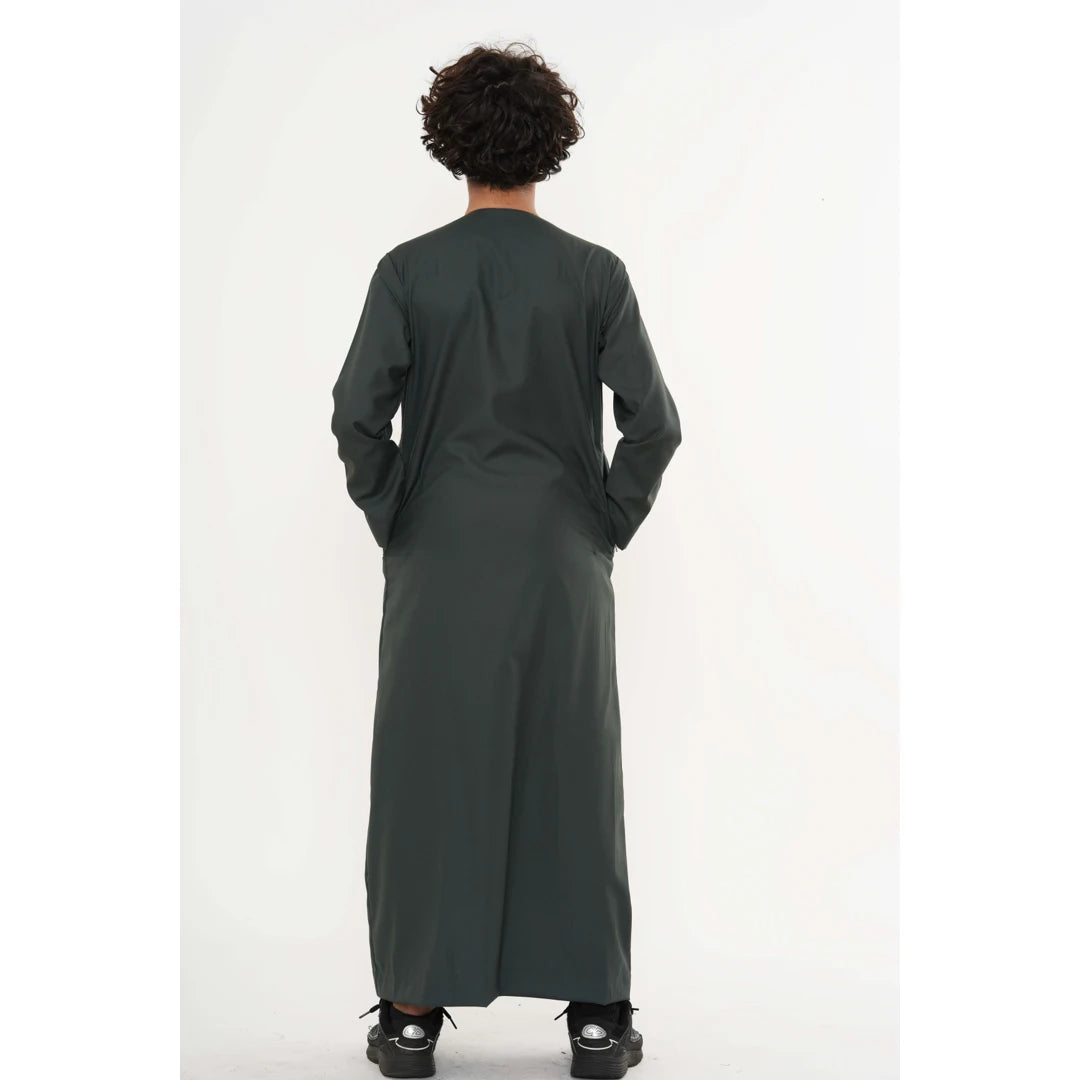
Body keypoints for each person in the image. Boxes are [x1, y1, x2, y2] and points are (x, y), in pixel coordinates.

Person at [331, 42, 682, 1080]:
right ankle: (597, 1020)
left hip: (438, 557)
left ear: (451, 144)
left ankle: (409, 1018)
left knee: (427, 773)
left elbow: (357, 417)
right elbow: (653, 425)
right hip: (561, 560)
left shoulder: (408, 271)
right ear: (550, 144)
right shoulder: (594, 274)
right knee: (573, 770)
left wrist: (399, 515)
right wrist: (604, 520)